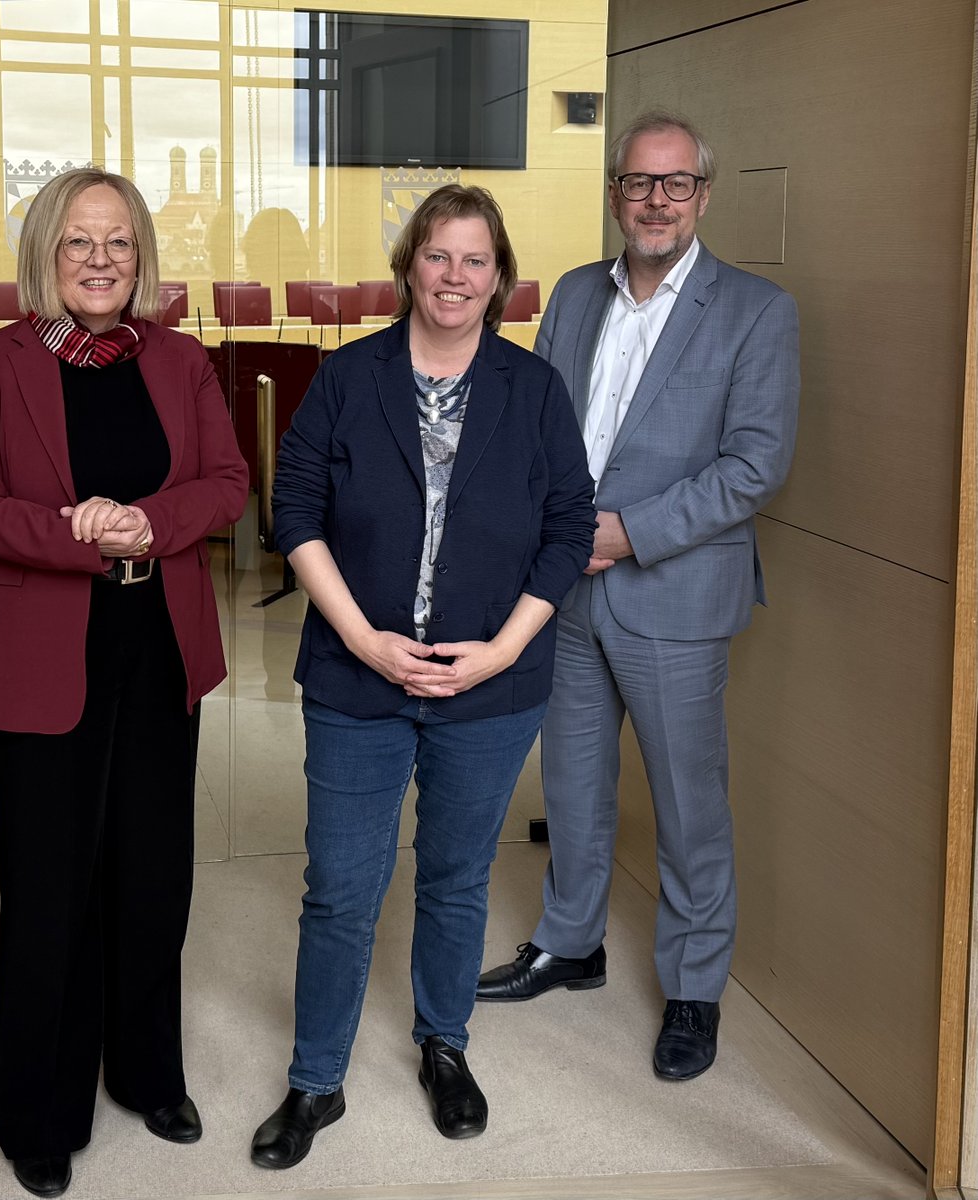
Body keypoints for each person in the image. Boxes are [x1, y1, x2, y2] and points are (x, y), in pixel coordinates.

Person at [249, 184, 596, 1170]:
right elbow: (295, 510)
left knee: (455, 878)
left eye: (474, 260)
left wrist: (504, 649)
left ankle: (445, 1046)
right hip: (356, 679)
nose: (454, 276)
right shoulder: (348, 376)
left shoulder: (533, 389)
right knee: (340, 888)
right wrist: (362, 638)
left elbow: (569, 525)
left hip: (489, 686)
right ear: (407, 266)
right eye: (437, 255)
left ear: (500, 277)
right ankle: (316, 1081)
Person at [0, 167, 248, 1198]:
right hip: (42, 654)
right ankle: (39, 1109)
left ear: (141, 256)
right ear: (46, 251)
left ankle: (148, 1074)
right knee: (49, 885)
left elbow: (226, 483)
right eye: (79, 241)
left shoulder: (181, 360)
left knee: (153, 872)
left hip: (158, 644)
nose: (101, 260)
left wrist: (147, 524)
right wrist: (83, 534)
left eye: (119, 242)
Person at [476, 111, 800, 1082]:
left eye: (675, 183)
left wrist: (628, 532)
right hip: (566, 591)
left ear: (702, 194)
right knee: (573, 785)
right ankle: (570, 941)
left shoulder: (756, 311)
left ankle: (694, 987)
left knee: (688, 803)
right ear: (614, 193)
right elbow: (536, 424)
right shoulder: (577, 293)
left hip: (674, 594)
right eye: (637, 182)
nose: (656, 200)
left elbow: (755, 464)